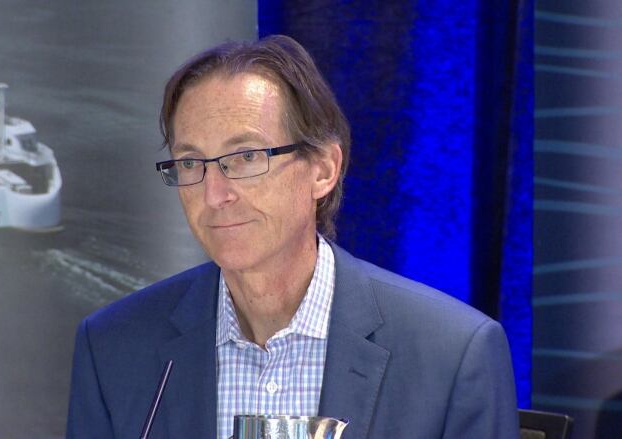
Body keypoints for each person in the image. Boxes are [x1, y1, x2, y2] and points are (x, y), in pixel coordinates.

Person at [66, 35, 518, 439]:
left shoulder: (453, 353)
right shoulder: (115, 347)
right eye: (191, 164)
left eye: (244, 157)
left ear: (323, 168)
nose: (215, 194)